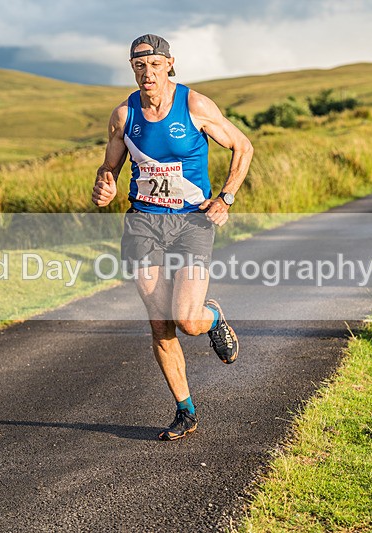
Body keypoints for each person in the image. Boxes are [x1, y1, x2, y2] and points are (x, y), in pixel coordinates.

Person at [92, 34, 254, 441]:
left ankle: (211, 317)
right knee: (160, 321)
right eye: (139, 66)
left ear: (169, 64)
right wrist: (105, 183)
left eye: (154, 64)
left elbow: (243, 146)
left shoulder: (195, 105)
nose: (147, 73)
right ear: (133, 69)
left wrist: (226, 197)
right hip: (144, 222)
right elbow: (109, 167)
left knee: (187, 320)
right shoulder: (123, 115)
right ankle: (185, 410)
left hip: (191, 223)